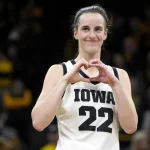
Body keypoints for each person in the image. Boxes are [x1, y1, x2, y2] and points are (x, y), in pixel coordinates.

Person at [31, 4, 138, 150]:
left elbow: (130, 127)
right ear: (76, 33)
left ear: (105, 34)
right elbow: (38, 122)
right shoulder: (59, 71)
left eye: (98, 29)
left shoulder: (119, 76)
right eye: (86, 29)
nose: (92, 35)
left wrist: (115, 85)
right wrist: (65, 81)